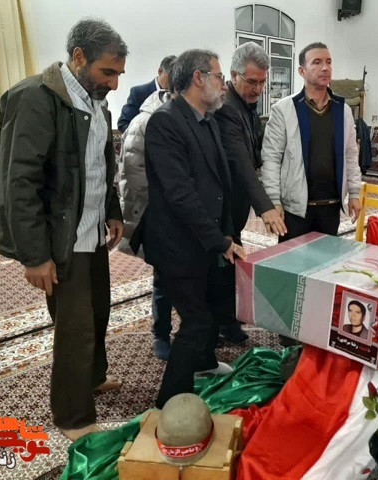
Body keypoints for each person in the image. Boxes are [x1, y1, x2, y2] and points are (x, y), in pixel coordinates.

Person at [0, 19, 128, 441]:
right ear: (78, 57)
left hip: (91, 233)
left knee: (98, 311)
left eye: (119, 74)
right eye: (108, 72)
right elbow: (18, 183)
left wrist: (112, 211)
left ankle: (92, 377)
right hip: (60, 239)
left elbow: (100, 167)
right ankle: (73, 416)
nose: (114, 83)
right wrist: (35, 256)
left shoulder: (96, 102)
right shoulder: (34, 98)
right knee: (75, 327)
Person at [140, 49, 247, 409]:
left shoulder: (207, 119)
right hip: (177, 245)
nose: (224, 85)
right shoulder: (166, 122)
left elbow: (220, 184)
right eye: (219, 77)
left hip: (205, 240)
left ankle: (204, 363)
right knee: (197, 322)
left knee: (213, 307)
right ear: (198, 78)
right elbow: (180, 194)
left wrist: (226, 235)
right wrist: (219, 241)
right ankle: (167, 403)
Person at [214, 42, 287, 344]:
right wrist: (266, 207)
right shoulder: (226, 107)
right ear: (233, 75)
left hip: (235, 207)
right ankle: (214, 330)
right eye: (252, 81)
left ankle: (227, 322)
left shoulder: (246, 106)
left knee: (229, 264)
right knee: (219, 267)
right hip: (219, 206)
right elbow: (240, 163)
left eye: (262, 82)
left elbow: (255, 155)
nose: (258, 89)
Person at [261, 41, 362, 243]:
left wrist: (354, 193)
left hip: (331, 207)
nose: (325, 68)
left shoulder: (342, 111)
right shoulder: (284, 110)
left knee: (325, 261)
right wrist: (273, 200)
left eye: (328, 62)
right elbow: (271, 158)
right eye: (316, 62)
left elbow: (351, 154)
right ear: (302, 71)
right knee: (291, 260)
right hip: (296, 210)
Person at [116, 88, 175, 360]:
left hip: (185, 214)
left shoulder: (195, 116)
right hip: (158, 214)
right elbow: (134, 174)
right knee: (164, 277)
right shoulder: (144, 122)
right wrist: (167, 202)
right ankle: (161, 333)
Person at [117, 55, 175, 132]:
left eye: (177, 77)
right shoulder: (138, 93)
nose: (174, 81)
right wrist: (143, 134)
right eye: (171, 76)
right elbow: (123, 123)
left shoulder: (180, 96)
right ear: (160, 71)